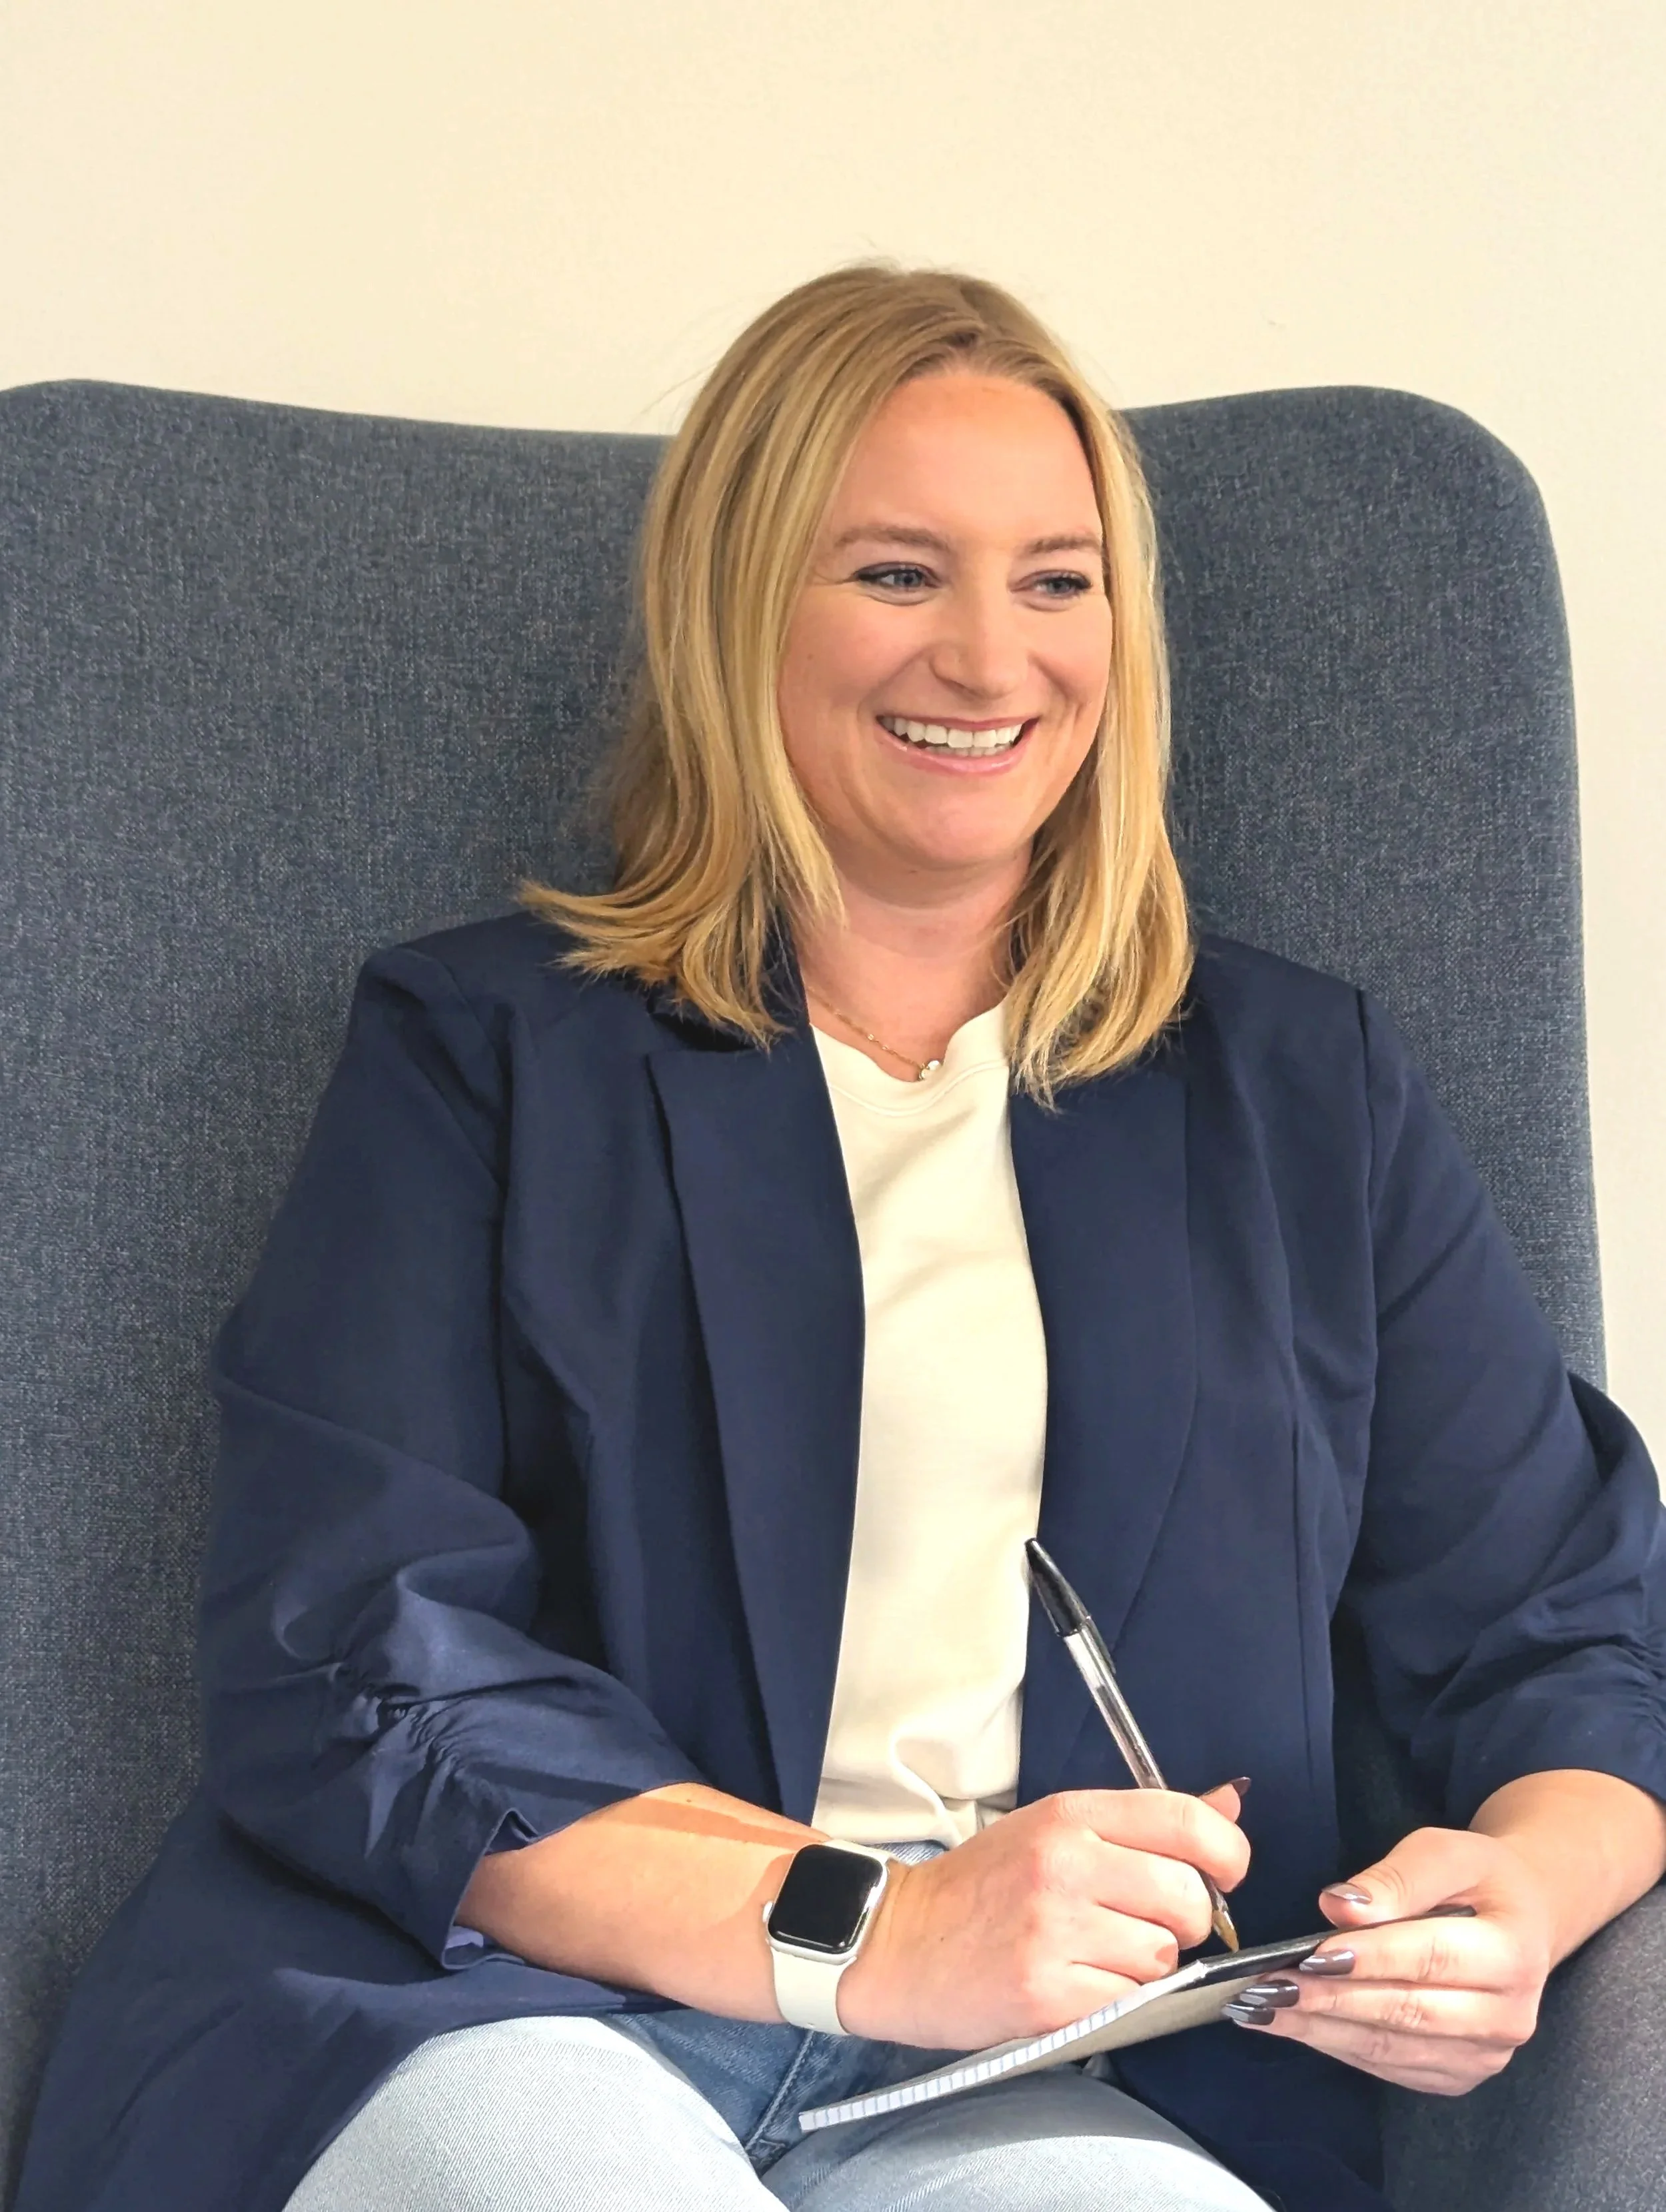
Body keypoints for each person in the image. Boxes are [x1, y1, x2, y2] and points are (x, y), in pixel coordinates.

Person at [15, 265, 1666, 2212]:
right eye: (896, 573)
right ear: (740, 614)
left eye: (1056, 581)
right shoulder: (481, 1055)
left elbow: (1563, 1620)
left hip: (1037, 2074)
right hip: (487, 2000)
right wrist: (871, 1931)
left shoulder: (1305, 1089)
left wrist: (1518, 1896)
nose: (989, 660)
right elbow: (359, 1660)